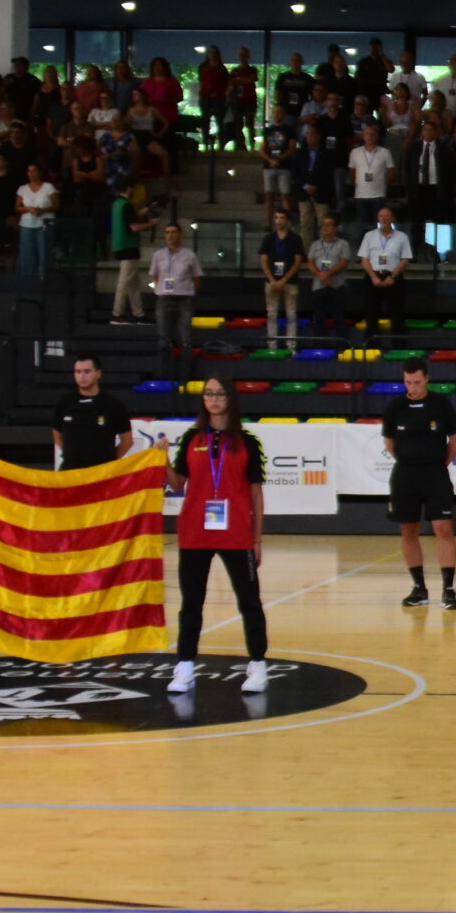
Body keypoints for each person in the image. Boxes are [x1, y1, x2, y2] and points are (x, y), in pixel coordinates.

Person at [166, 376, 270, 694]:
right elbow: (178, 484)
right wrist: (160, 459)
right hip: (195, 532)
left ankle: (258, 664)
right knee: (191, 602)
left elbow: (255, 494)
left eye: (220, 394)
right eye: (208, 394)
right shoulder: (191, 438)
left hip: (236, 533)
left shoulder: (247, 442)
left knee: (249, 600)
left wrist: (256, 539)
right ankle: (185, 665)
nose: (213, 399)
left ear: (231, 398)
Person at [383, 357, 456, 611]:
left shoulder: (440, 404)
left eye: (417, 382)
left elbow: (455, 439)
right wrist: (409, 460)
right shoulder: (395, 406)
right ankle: (419, 588)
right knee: (408, 530)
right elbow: (389, 443)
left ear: (427, 378)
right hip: (405, 475)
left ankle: (448, 589)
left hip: (435, 474)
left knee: (443, 528)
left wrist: (441, 463)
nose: (413, 387)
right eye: (408, 382)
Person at [53, 353, 132, 470]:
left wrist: (108, 462)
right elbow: (57, 435)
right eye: (78, 372)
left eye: (87, 371)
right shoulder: (64, 402)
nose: (82, 376)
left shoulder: (113, 405)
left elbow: (127, 441)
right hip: (70, 472)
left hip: (101, 474)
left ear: (98, 373)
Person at [150, 222, 201, 381]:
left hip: (184, 299)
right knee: (163, 340)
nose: (170, 235)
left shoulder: (189, 255)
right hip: (164, 298)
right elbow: (155, 275)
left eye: (173, 232)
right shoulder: (158, 255)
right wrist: (161, 289)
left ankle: (186, 376)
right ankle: (163, 376)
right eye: (167, 232)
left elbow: (196, 277)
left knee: (185, 340)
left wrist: (188, 291)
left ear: (180, 234)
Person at [357, 206, 412, 340]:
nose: (384, 219)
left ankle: (398, 346)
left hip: (393, 277)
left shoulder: (402, 237)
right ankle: (370, 345)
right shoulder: (369, 236)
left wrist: (392, 277)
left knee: (397, 314)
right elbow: (364, 259)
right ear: (378, 218)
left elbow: (405, 259)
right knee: (371, 314)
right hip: (373, 276)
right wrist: (373, 276)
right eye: (381, 216)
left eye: (387, 216)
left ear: (393, 218)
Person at [258, 210, 304, 343]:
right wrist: (272, 280)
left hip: (290, 281)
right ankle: (272, 345)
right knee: (271, 314)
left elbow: (297, 262)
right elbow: (264, 261)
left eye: (282, 218)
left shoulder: (295, 238)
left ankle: (291, 345)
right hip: (271, 281)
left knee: (291, 314)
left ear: (288, 220)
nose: (278, 221)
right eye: (276, 217)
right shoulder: (268, 238)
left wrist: (284, 279)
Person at [307, 214, 352, 342]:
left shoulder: (343, 244)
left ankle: (342, 346)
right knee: (318, 317)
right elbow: (310, 262)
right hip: (318, 286)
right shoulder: (315, 244)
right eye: (323, 225)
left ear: (336, 228)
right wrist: (320, 275)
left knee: (339, 317)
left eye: (329, 225)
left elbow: (344, 262)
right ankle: (319, 347)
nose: (325, 227)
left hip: (337, 285)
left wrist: (328, 274)